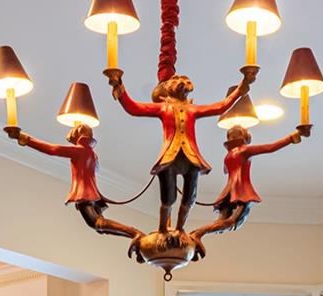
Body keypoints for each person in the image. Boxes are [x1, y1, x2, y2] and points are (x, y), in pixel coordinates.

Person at [106, 66, 255, 233]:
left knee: (190, 198)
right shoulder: (163, 108)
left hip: (191, 158)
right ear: (167, 87)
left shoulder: (193, 109)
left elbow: (221, 106)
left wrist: (242, 87)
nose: (182, 82)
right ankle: (163, 229)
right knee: (168, 198)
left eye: (185, 80)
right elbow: (133, 108)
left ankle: (180, 229)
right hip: (169, 157)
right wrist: (118, 85)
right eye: (176, 80)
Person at [6, 122, 141, 242]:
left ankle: (133, 233)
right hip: (93, 195)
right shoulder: (92, 154)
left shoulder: (79, 151)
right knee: (99, 226)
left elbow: (52, 149)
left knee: (97, 223)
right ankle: (133, 234)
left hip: (84, 195)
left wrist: (24, 138)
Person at [189, 121, 308, 253]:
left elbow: (227, 170)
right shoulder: (241, 151)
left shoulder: (232, 154)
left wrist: (294, 137)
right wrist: (293, 136)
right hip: (239, 191)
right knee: (229, 222)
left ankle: (198, 233)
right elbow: (270, 148)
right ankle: (198, 233)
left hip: (232, 191)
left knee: (225, 222)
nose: (233, 136)